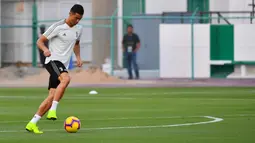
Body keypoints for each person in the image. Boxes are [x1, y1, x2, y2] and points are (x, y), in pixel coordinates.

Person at [25, 4, 84, 134]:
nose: (77, 21)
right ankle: (53, 110)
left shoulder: (79, 29)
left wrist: (78, 57)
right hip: (52, 60)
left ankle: (32, 123)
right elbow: (40, 41)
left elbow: (76, 43)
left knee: (52, 96)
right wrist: (45, 49)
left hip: (62, 64)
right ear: (70, 13)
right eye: (76, 18)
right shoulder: (57, 26)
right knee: (66, 78)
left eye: (80, 19)